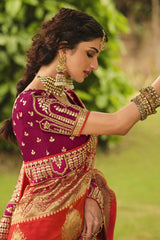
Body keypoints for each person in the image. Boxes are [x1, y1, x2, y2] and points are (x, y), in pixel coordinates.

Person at [0, 8, 160, 240]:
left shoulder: (67, 97)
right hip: (41, 229)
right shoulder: (33, 103)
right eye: (90, 54)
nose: (95, 65)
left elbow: (77, 170)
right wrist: (157, 89)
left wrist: (92, 196)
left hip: (71, 226)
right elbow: (118, 124)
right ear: (64, 49)